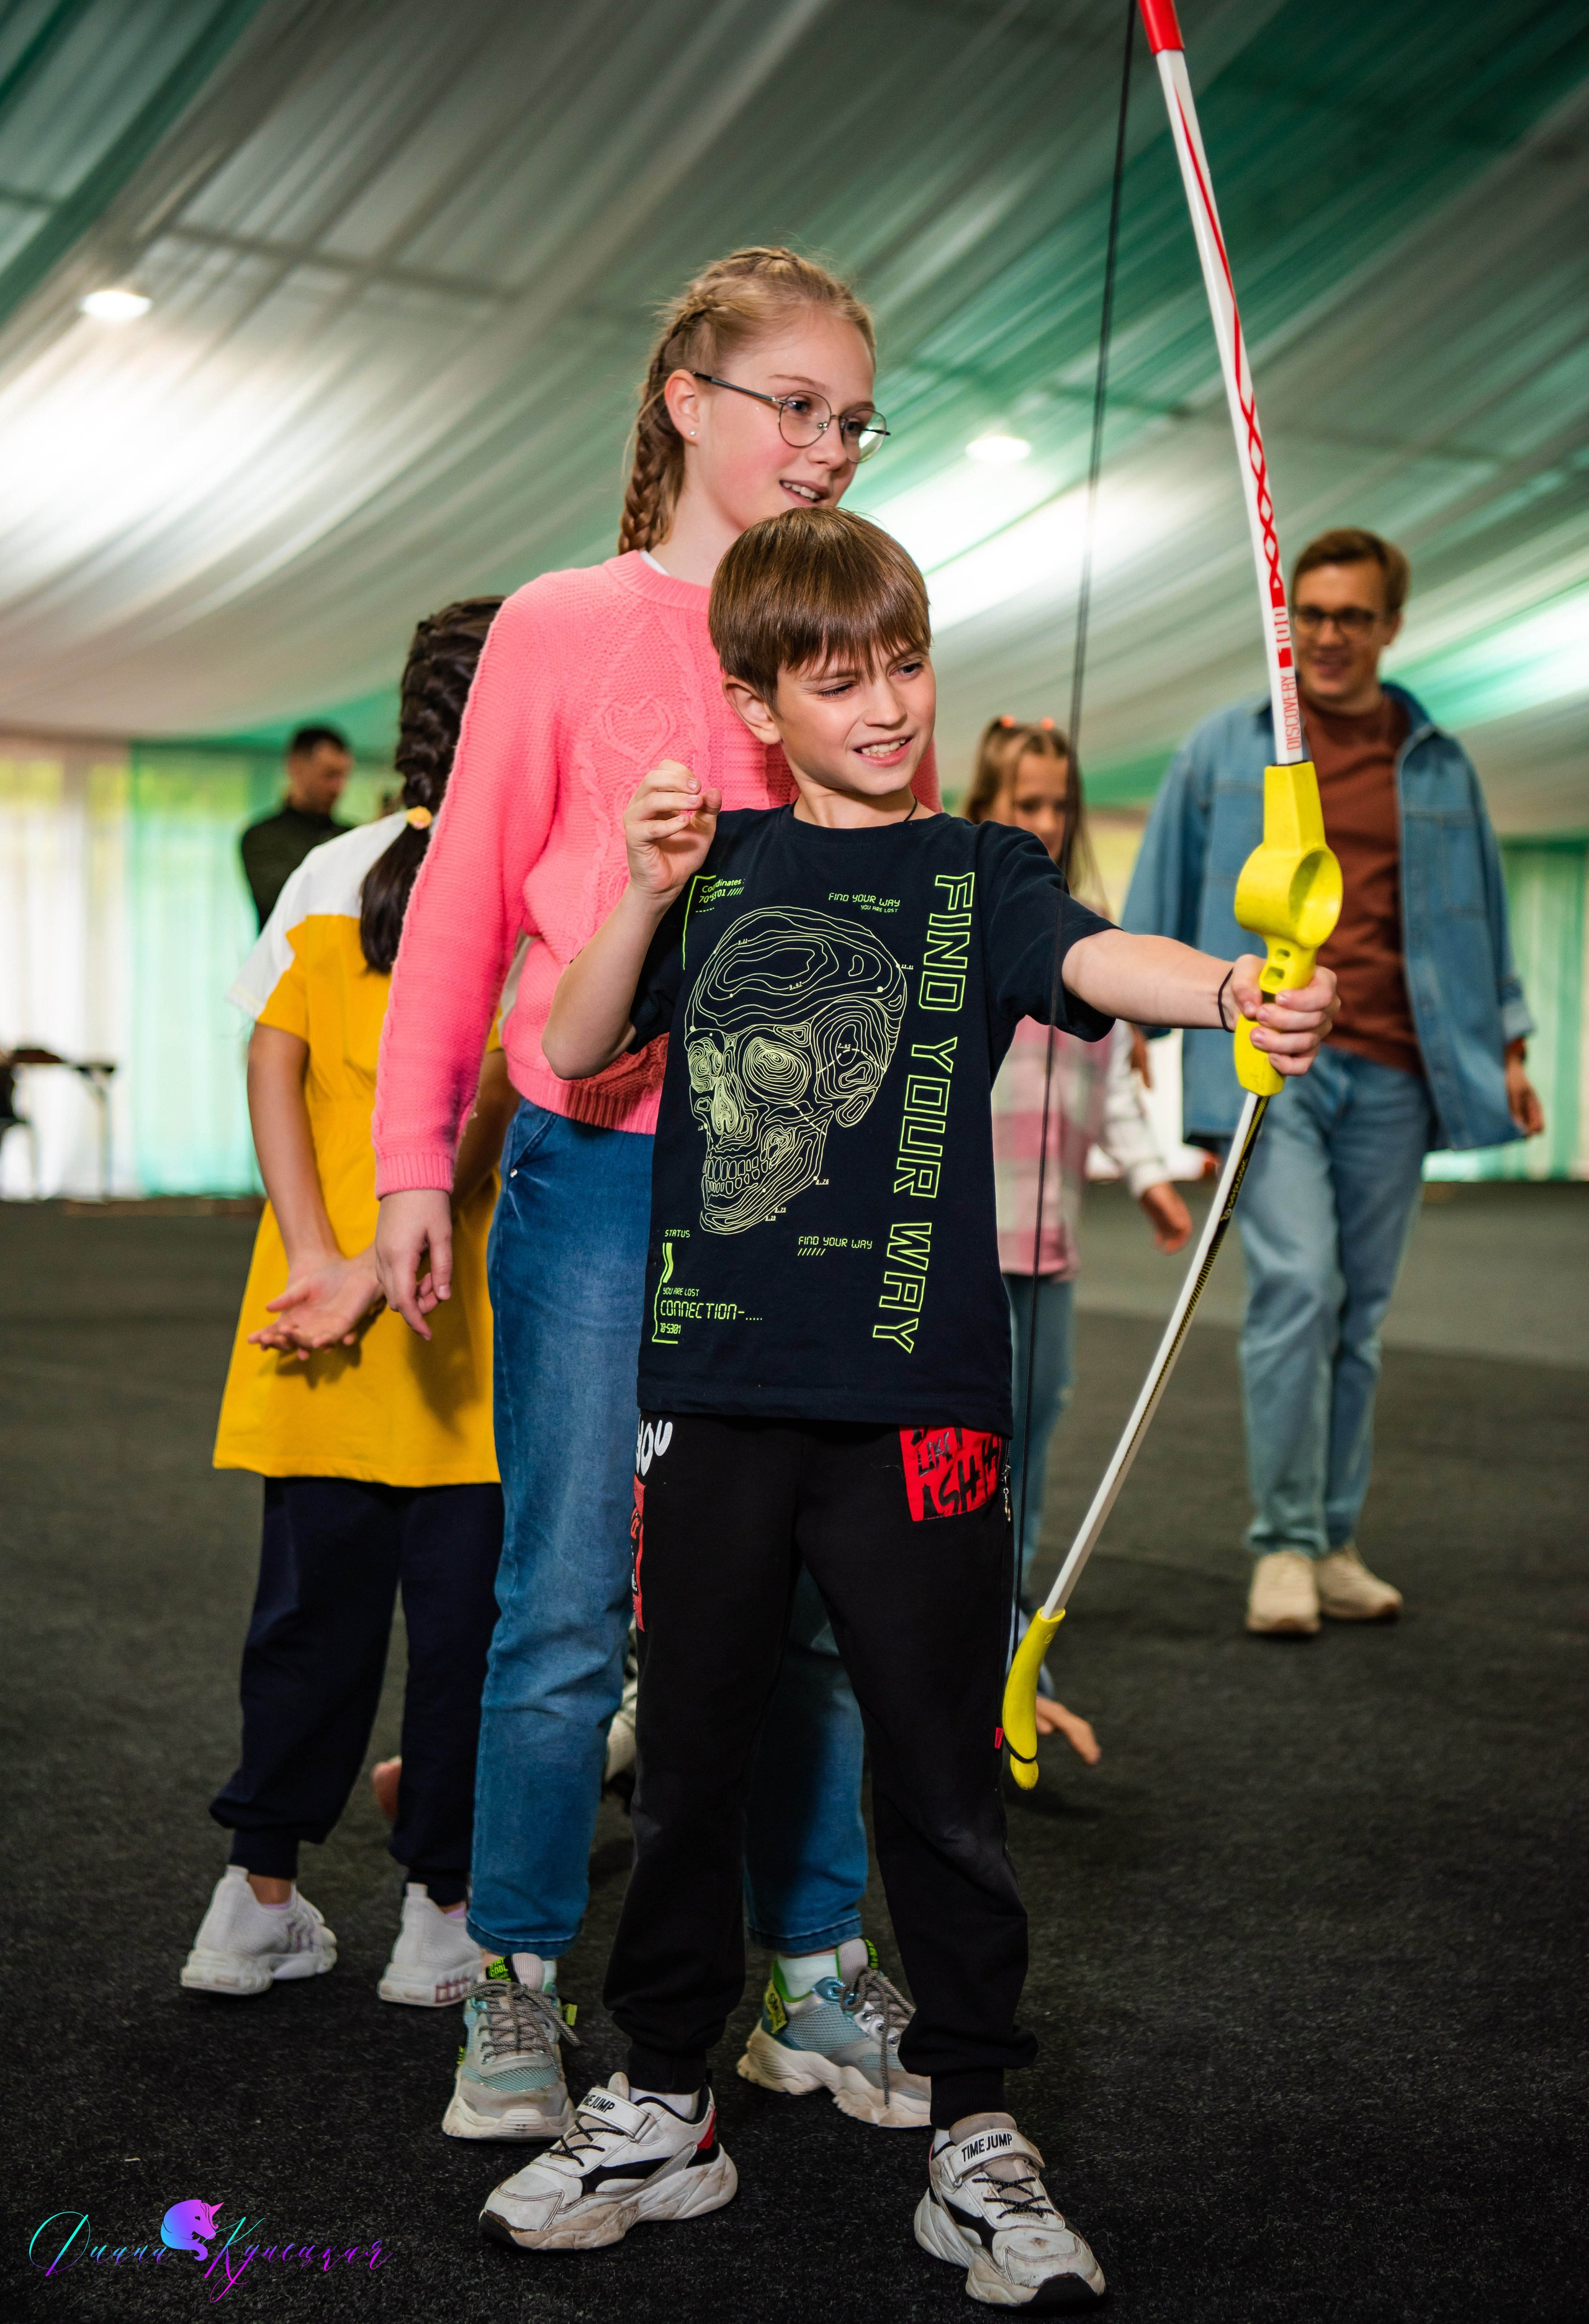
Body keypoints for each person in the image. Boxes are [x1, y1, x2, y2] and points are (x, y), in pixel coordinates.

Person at [485, 507, 1337, 2302]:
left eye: (904, 660)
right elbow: (567, 1048)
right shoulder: (712, 868)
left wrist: (1238, 989)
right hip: (712, 1392)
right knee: (695, 1758)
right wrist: (641, 883)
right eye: (834, 673)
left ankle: (969, 2127)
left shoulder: (975, 872)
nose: (884, 700)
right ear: (757, 699)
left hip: (919, 1404)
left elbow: (1106, 958)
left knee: (943, 1773)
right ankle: (660, 2095)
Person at [372, 248, 942, 2145]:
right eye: (797, 403)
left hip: (797, 1207)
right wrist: (404, 1174)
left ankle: (806, 1970)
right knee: (554, 1607)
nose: (827, 445)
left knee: (808, 1604)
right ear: (686, 397)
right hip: (595, 1178)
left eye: (853, 417)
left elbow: (897, 911)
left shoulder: (846, 622)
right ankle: (515, 1985)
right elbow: (458, 914)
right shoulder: (558, 620)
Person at [184, 602, 517, 2008]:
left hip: (312, 1323)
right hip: (461, 1341)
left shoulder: (328, 867)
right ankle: (439, 1922)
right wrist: (378, 1273)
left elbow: (265, 1065)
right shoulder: (517, 884)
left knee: (304, 1627)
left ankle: (250, 1903)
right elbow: (484, 1124)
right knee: (464, 1645)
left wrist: (319, 1254)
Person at [1124, 527, 1542, 1637]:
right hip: (1273, 1062)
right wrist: (1131, 1015)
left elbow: (1475, 912)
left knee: (1361, 1314)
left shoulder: (1436, 756)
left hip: (1401, 1067)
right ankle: (1280, 1545)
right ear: (1288, 618)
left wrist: (1510, 1041)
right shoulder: (1225, 745)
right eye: (1311, 614)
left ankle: (1334, 1539)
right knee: (1300, 1286)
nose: (1328, 637)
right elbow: (1161, 887)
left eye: (1353, 617)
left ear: (1390, 626)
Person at [965, 715, 1194, 1757]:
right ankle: (957, 1642)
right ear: (986, 806)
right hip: (963, 1245)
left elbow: (1112, 1097)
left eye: (1060, 804)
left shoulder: (1087, 938)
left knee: (1036, 1457)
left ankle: (1014, 1641)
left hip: (1050, 1256)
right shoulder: (961, 917)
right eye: (1026, 804)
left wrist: (1148, 1180)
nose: (1048, 821)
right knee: (965, 1462)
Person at [240, 723, 353, 927]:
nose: (338, 787)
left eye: (343, 776)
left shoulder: (351, 835)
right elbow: (284, 901)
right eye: (329, 774)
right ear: (297, 768)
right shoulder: (261, 836)